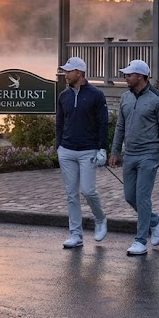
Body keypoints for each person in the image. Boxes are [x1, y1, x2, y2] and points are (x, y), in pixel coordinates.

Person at [108, 60, 159, 256]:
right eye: (126, 74)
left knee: (143, 198)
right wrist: (115, 151)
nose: (125, 77)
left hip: (149, 155)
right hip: (130, 154)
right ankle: (156, 221)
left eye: (129, 74)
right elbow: (120, 126)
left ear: (141, 76)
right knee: (130, 196)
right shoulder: (125, 97)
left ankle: (140, 241)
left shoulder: (158, 99)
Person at [55, 57, 109, 249]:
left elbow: (103, 122)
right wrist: (58, 146)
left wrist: (102, 148)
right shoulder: (64, 96)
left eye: (69, 71)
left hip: (88, 151)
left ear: (79, 73)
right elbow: (60, 123)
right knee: (71, 194)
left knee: (88, 190)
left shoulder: (96, 95)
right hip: (67, 150)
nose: (65, 74)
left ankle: (101, 218)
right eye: (65, 71)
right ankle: (76, 234)